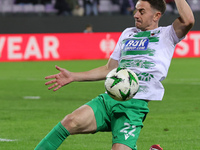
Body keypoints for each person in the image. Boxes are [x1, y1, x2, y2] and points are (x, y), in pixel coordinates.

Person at [34, 0, 194, 149]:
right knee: (70, 121)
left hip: (133, 106)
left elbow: (188, 20)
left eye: (142, 11)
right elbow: (109, 68)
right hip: (109, 99)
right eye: (136, 10)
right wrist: (74, 76)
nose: (135, 14)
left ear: (156, 15)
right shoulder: (127, 34)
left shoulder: (166, 35)